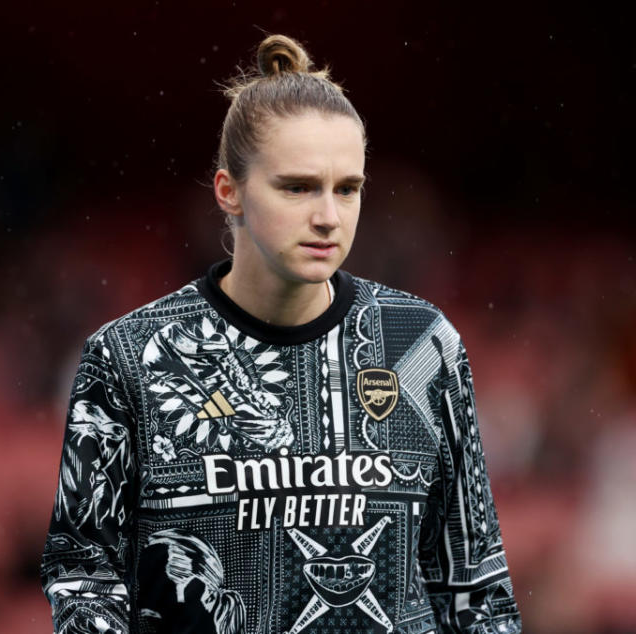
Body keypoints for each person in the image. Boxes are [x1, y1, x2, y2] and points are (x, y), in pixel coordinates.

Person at [40, 34, 522, 634]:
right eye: (297, 187)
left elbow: (476, 588)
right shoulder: (128, 358)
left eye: (347, 188)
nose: (328, 216)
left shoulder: (423, 345)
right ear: (229, 191)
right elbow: (84, 576)